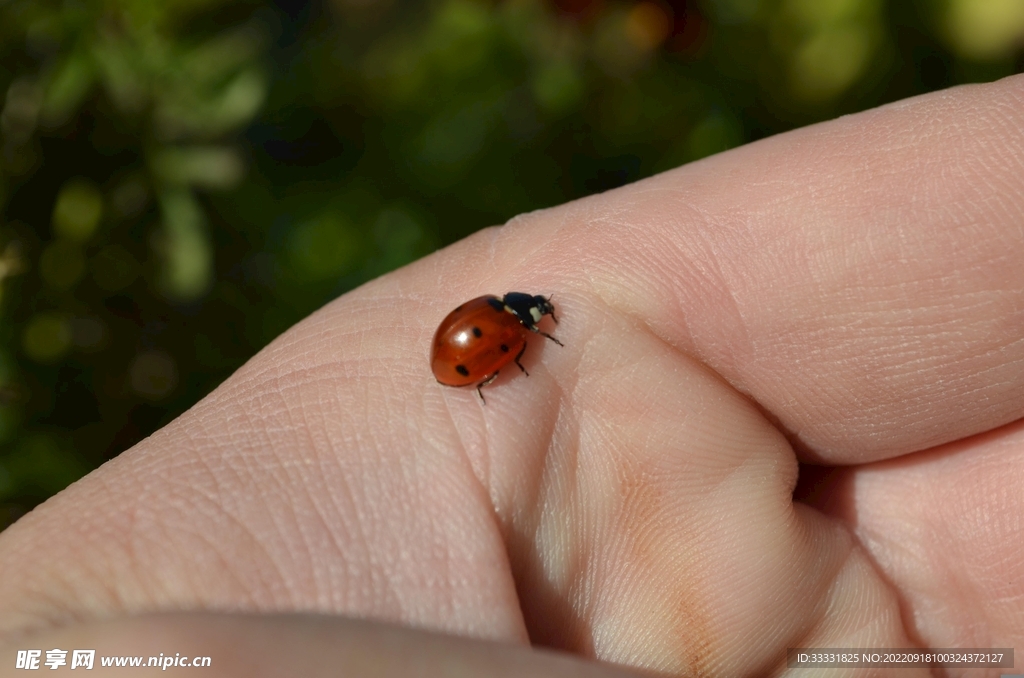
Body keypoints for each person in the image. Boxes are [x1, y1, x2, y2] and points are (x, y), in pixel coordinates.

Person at [1, 74, 1022, 678]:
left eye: (528, 322)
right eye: (533, 320)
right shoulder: (500, 336)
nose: (533, 325)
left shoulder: (497, 333)